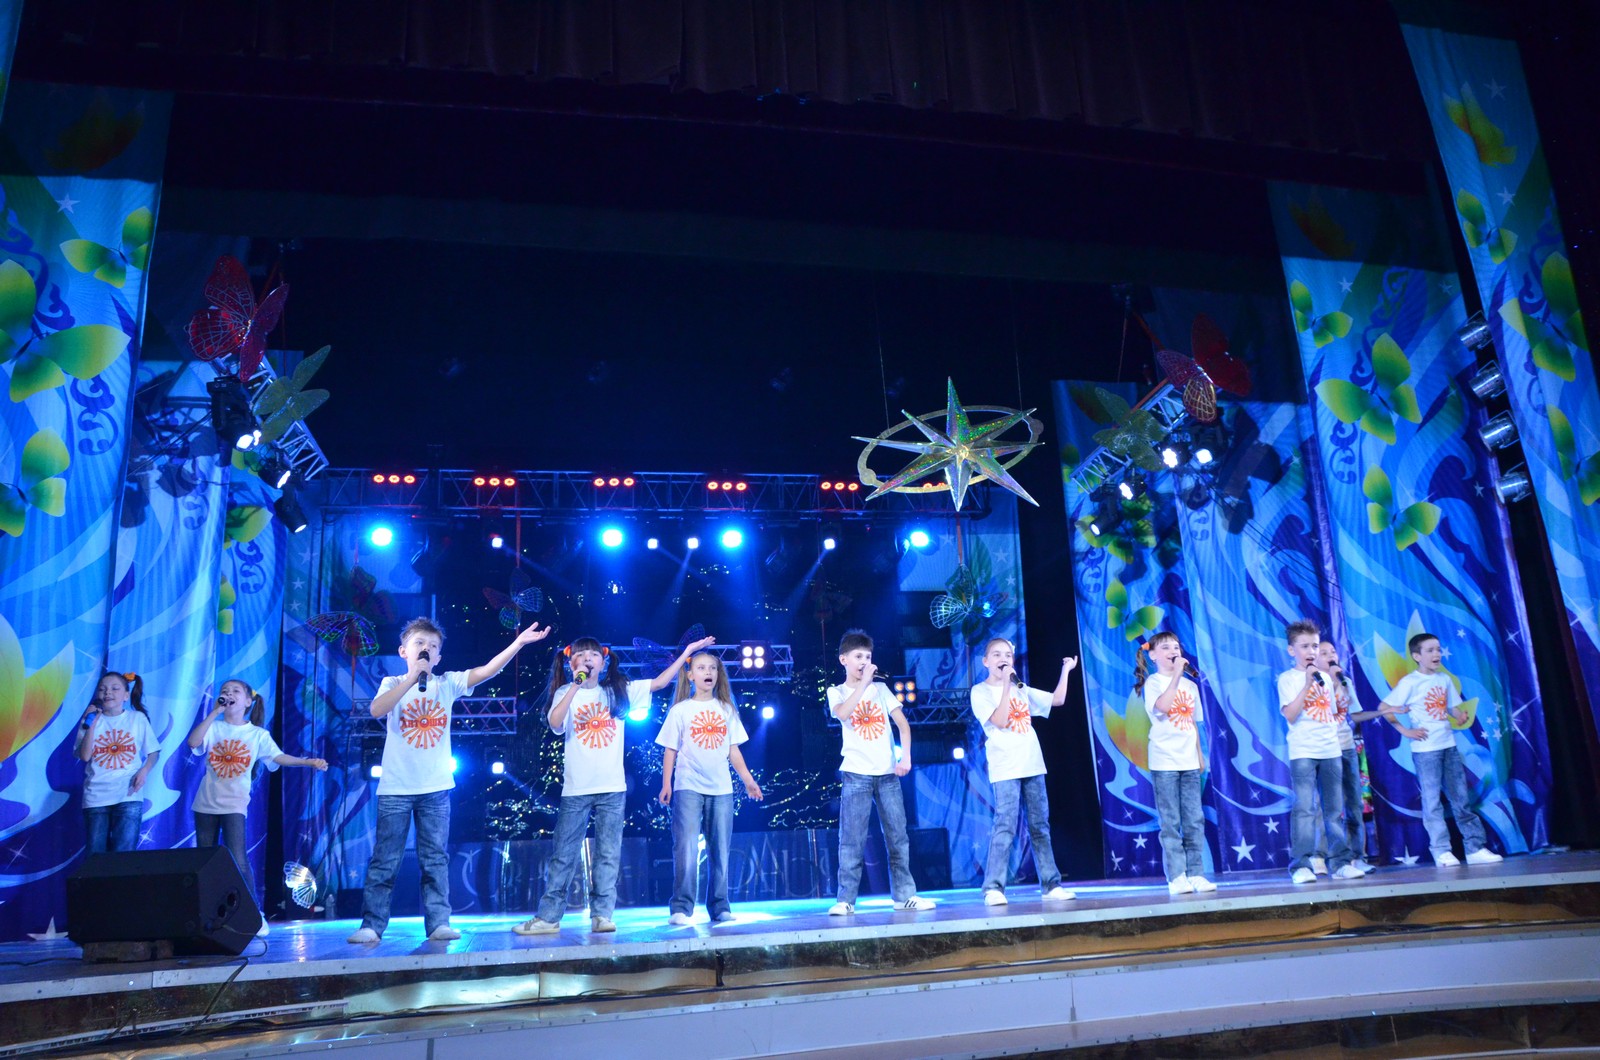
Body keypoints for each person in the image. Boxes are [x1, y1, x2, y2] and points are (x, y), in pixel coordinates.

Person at [348, 618, 549, 944]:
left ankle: (439, 922)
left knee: (435, 859)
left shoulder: (448, 683)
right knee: (385, 859)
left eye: (432, 646)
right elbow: (376, 710)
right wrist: (411, 679)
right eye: (419, 644)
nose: (425, 649)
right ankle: (372, 925)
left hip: (436, 788)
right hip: (396, 787)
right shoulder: (392, 682)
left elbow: (488, 671)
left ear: (439, 657)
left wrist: (519, 643)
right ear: (403, 651)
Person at [514, 633, 715, 936]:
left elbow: (659, 683)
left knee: (608, 854)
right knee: (564, 854)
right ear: (570, 663)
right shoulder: (565, 691)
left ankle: (602, 915)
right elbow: (555, 723)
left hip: (612, 788)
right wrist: (575, 686)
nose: (588, 659)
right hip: (576, 789)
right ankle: (549, 917)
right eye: (581, 655)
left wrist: (687, 651)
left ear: (604, 662)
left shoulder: (618, 690)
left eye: (594, 655)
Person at [189, 678, 328, 934]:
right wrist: (214, 713)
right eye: (225, 691)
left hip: (234, 803)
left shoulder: (257, 734)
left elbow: (278, 757)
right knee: (205, 860)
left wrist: (307, 762)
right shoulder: (214, 727)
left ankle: (254, 915)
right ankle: (205, 915)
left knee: (238, 859)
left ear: (248, 702)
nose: (228, 694)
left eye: (235, 691)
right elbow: (193, 742)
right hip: (205, 804)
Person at [826, 629, 934, 916]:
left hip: (887, 774)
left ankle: (904, 896)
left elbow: (904, 726)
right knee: (852, 840)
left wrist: (905, 757)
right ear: (843, 659)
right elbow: (843, 713)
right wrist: (863, 684)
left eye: (868, 657)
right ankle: (846, 900)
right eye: (858, 656)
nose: (864, 662)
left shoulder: (882, 690)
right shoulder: (836, 692)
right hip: (855, 774)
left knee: (898, 837)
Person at [656, 650, 764, 925]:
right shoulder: (680, 710)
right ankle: (681, 907)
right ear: (690, 675)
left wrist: (748, 780)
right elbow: (670, 749)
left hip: (721, 789)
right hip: (688, 787)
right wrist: (666, 783)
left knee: (720, 850)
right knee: (686, 849)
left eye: (713, 668)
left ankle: (719, 906)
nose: (708, 672)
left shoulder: (726, 709)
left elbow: (733, 750)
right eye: (702, 668)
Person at [1380, 632, 1503, 868]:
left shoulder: (1444, 679)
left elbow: (1451, 707)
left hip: (1449, 746)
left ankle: (1475, 848)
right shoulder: (1410, 682)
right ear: (1416, 656)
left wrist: (1458, 715)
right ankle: (1441, 850)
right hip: (1426, 750)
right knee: (1432, 802)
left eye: (1438, 649)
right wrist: (1406, 731)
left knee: (1461, 799)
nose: (1436, 654)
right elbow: (1384, 707)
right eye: (1430, 650)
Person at [971, 638, 1079, 905]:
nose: (1003, 659)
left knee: (1040, 826)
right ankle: (993, 888)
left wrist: (1066, 670)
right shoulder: (980, 692)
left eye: (1007, 655)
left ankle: (1051, 885)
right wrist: (1007, 687)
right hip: (1005, 767)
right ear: (986, 661)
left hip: (1032, 764)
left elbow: (1057, 700)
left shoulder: (1022, 688)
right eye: (997, 655)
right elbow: (999, 720)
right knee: (1005, 826)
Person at [1279, 620, 1362, 884]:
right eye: (1305, 646)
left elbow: (1330, 714)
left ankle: (1340, 862)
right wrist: (1306, 685)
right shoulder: (1288, 679)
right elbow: (1290, 715)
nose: (1311, 651)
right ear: (1292, 650)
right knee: (1305, 809)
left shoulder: (1325, 678)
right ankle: (1301, 865)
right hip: (1304, 751)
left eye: (1315, 646)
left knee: (1334, 809)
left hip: (1331, 750)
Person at [1136, 634, 1214, 895]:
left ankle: (1196, 874)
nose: (1173, 651)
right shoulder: (1154, 683)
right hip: (1165, 761)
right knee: (1170, 822)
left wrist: (1200, 756)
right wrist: (1177, 675)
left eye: (1176, 647)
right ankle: (1177, 876)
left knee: (1194, 819)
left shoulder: (1191, 687)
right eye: (1166, 647)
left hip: (1189, 761)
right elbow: (1164, 707)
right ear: (1153, 655)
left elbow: (1193, 723)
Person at [1315, 641, 1396, 874]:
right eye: (1323, 653)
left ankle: (1357, 857)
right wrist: (1331, 682)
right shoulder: (1315, 684)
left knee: (1354, 803)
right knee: (1328, 806)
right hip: (1325, 749)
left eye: (1333, 652)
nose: (1330, 656)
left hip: (1347, 747)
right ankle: (1322, 856)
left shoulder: (1345, 682)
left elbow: (1355, 715)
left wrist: (1382, 711)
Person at [77, 672, 159, 854]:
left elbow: (153, 752)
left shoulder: (137, 719)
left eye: (114, 688)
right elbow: (84, 756)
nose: (107, 693)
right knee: (96, 856)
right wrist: (92, 723)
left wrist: (144, 770)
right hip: (96, 796)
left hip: (128, 795)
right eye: (102, 689)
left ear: (126, 695)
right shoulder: (90, 719)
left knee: (124, 855)